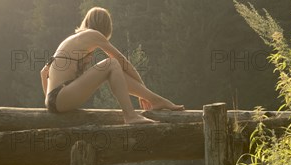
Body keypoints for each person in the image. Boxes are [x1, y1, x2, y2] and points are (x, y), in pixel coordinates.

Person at [40, 7, 184, 124]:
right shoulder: (93, 34)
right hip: (61, 97)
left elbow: (43, 73)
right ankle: (130, 115)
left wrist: (50, 103)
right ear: (105, 26)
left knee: (111, 70)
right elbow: (123, 62)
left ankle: (156, 100)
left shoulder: (73, 40)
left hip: (55, 100)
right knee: (112, 64)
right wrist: (142, 89)